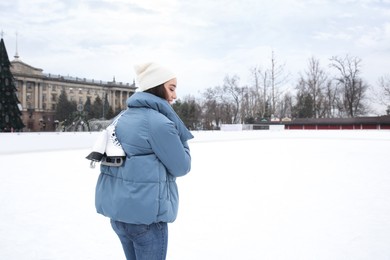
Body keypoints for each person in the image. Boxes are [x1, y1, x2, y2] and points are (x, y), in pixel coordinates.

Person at [95, 62, 193, 260]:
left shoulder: (120, 118)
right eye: (171, 88)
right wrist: (180, 133)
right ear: (157, 87)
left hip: (120, 216)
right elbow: (182, 166)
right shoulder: (159, 123)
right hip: (147, 220)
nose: (174, 95)